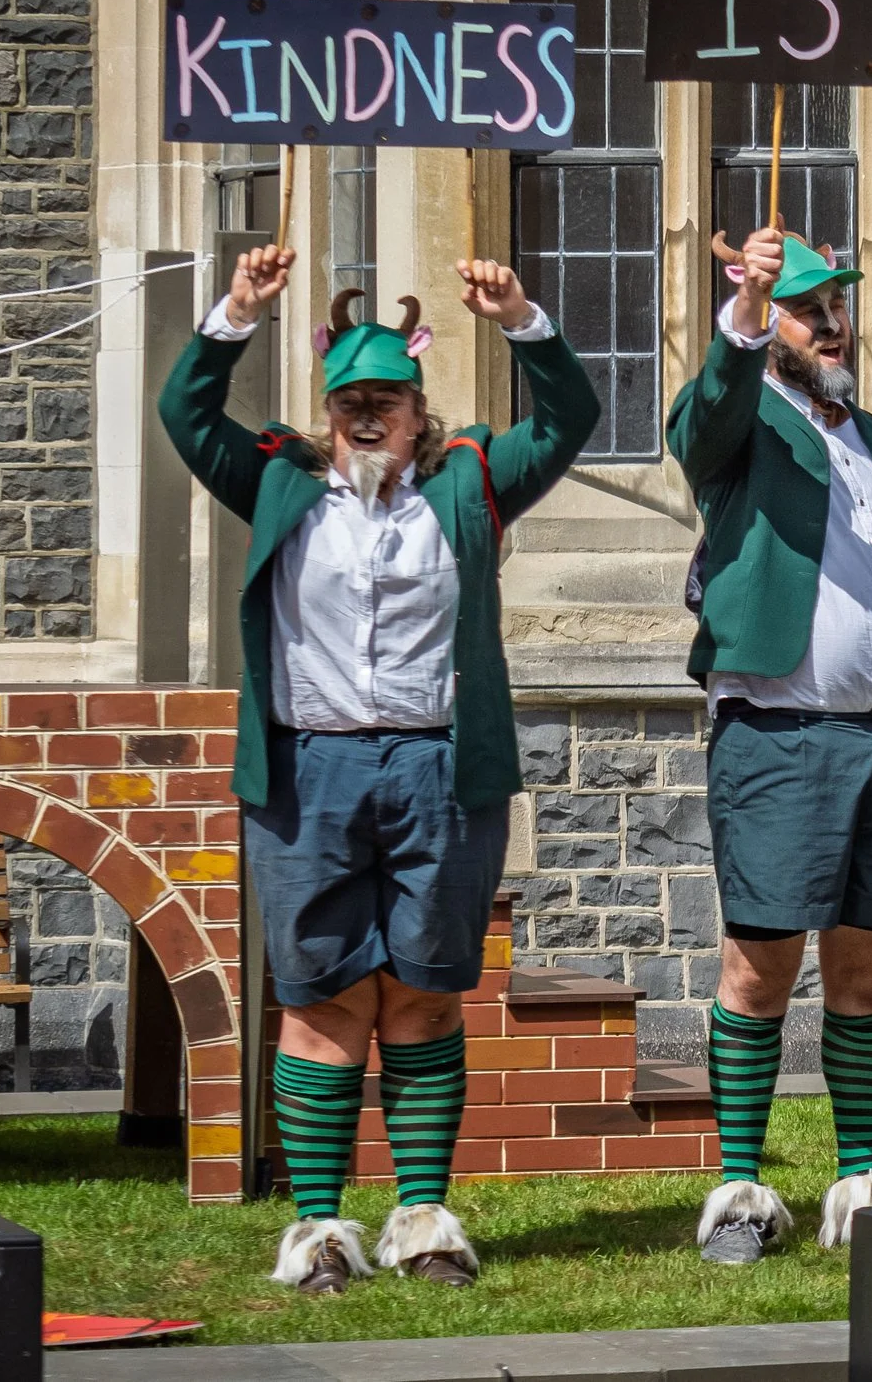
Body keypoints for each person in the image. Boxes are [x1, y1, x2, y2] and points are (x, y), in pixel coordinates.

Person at [158, 246, 599, 1293]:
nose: (366, 414)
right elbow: (185, 414)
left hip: (440, 767)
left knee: (427, 995)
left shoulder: (472, 481)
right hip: (308, 769)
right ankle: (317, 1228)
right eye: (349, 398)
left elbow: (568, 418)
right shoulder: (276, 481)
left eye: (385, 397)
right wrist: (236, 312)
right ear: (327, 408)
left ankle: (422, 1213)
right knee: (320, 996)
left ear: (416, 406)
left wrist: (522, 316)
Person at [669, 224, 872, 1263]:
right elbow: (698, 420)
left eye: (836, 305)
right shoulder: (743, 420)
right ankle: (739, 1188)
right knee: (758, 965)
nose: (833, 321)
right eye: (811, 309)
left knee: (869, 966)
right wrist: (745, 311)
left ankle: (858, 1175)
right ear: (775, 327)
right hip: (778, 733)